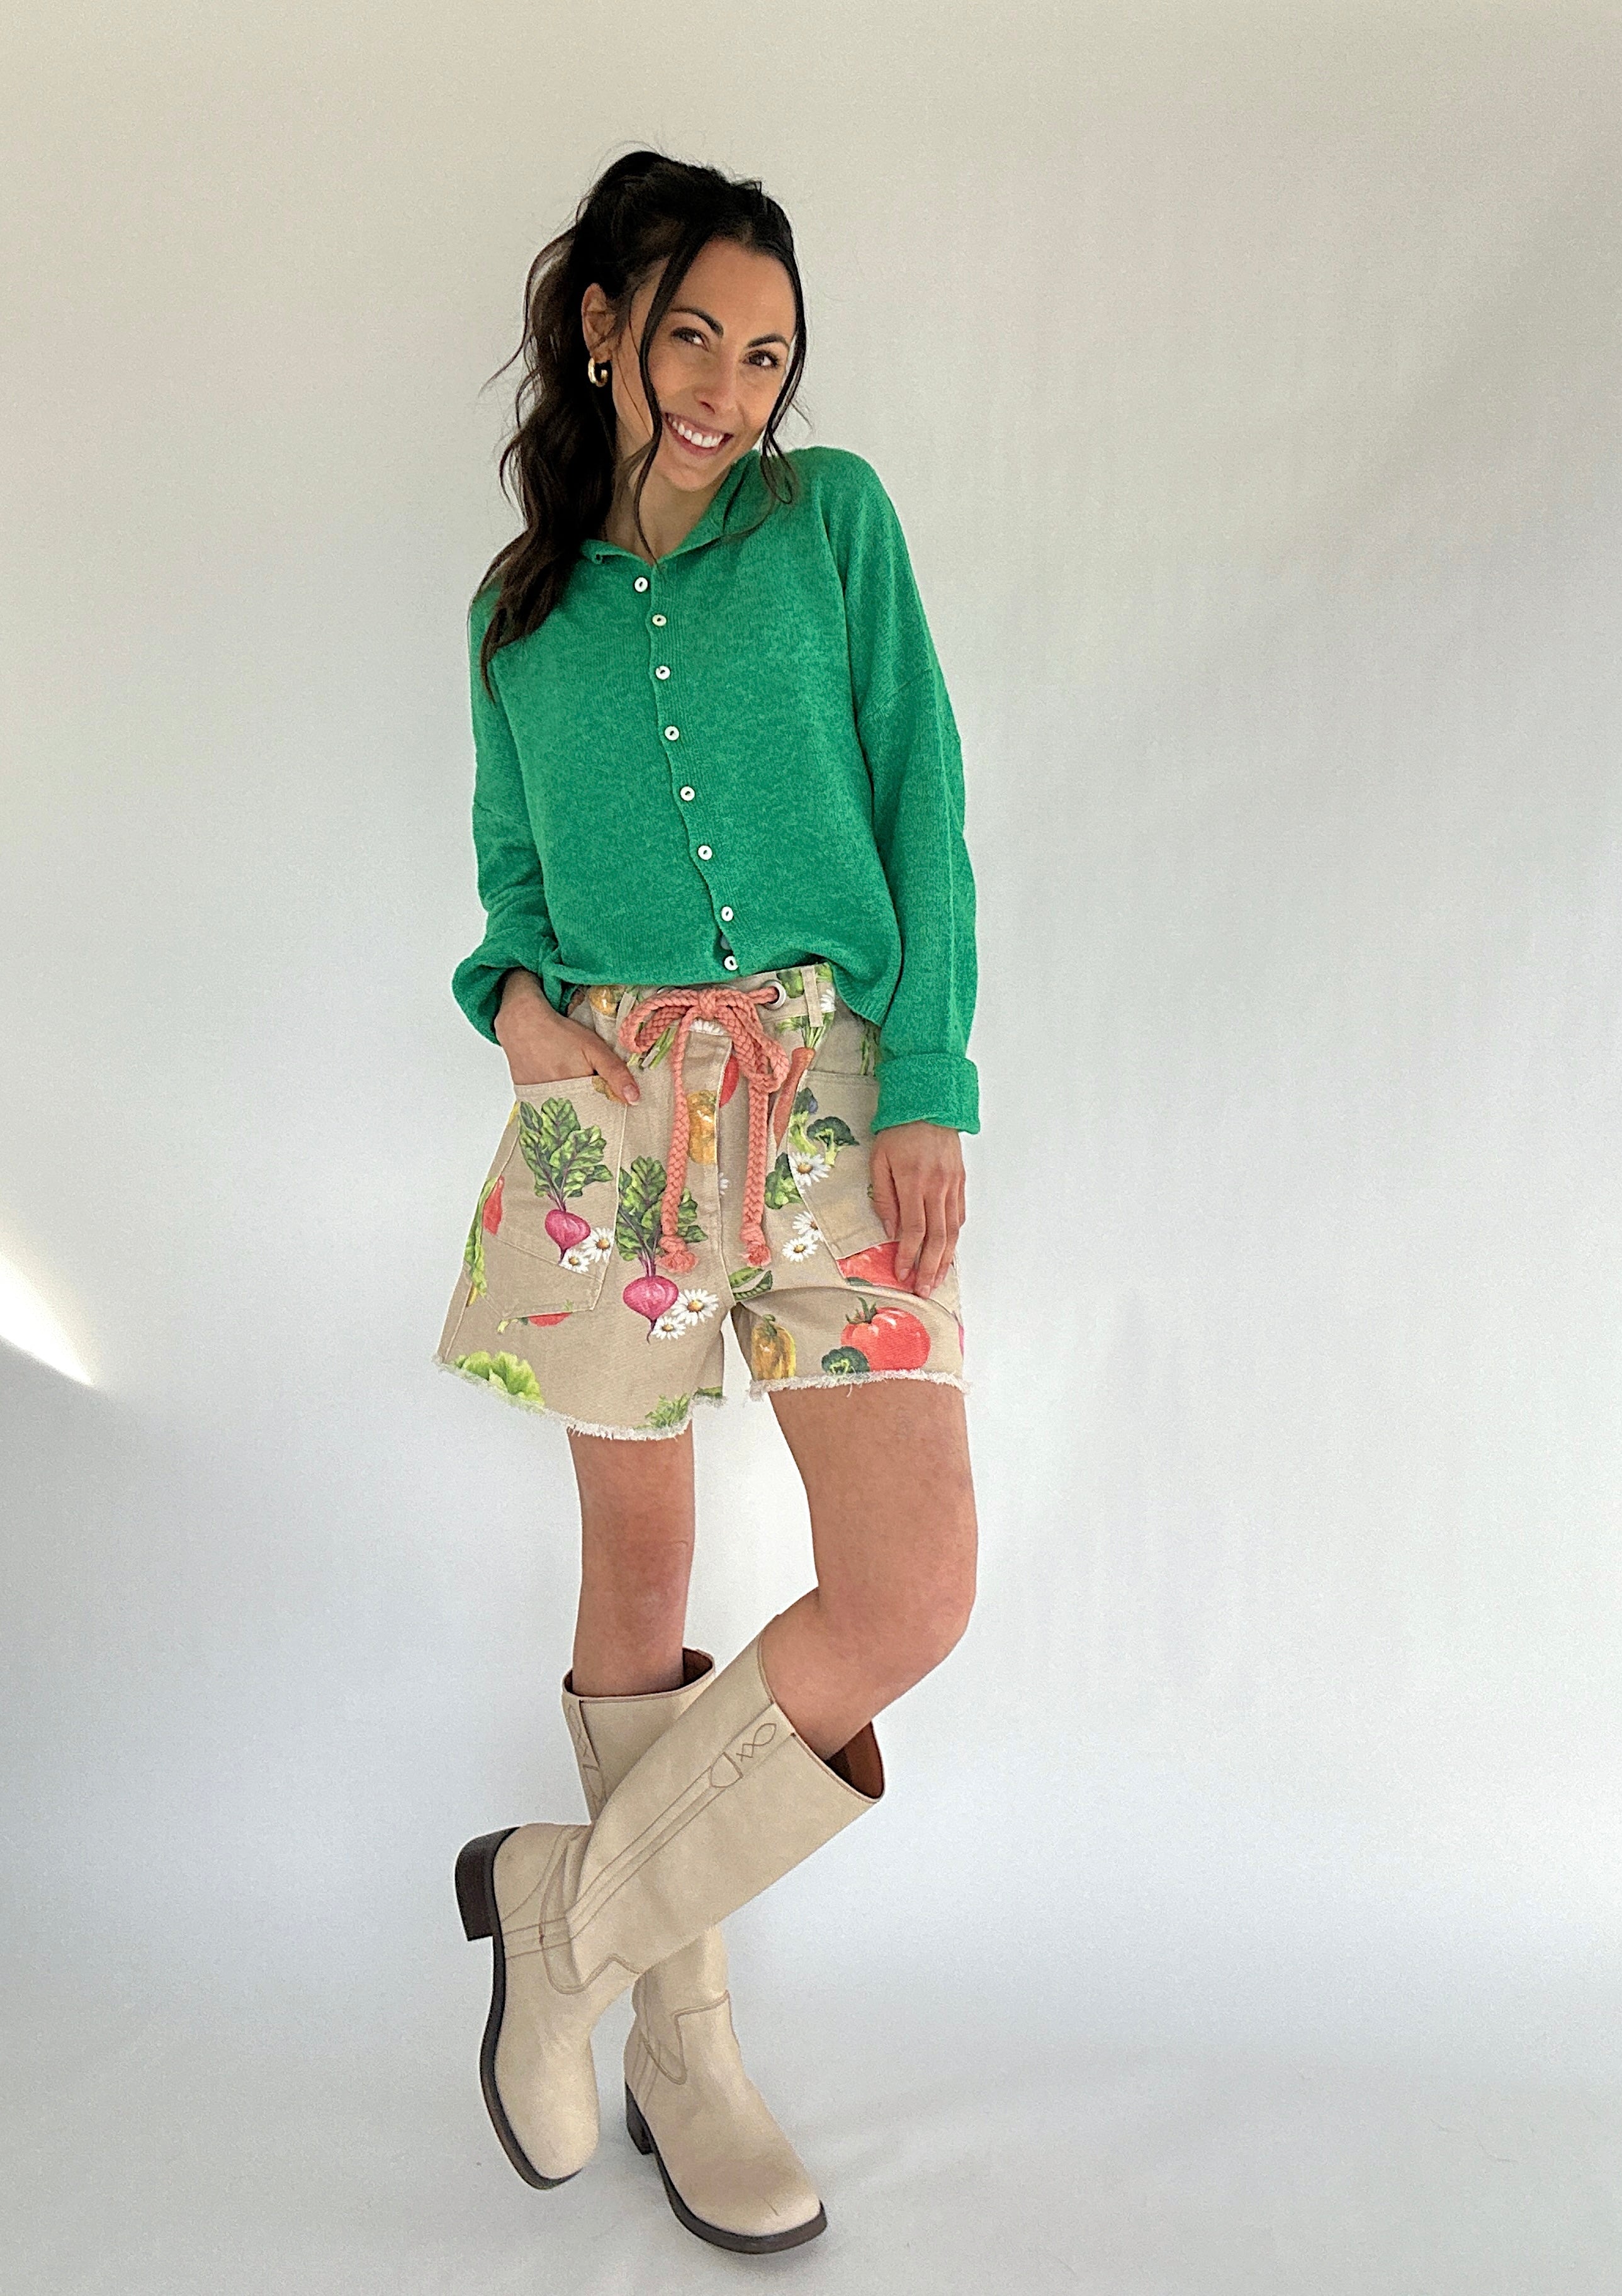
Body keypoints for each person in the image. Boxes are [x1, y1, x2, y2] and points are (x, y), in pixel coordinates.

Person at [432, 149, 981, 2256]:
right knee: (638, 1573)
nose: (729, 391)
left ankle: (559, 1923)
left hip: (832, 1087)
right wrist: (512, 1010)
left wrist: (926, 1085)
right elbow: (510, 887)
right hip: (608, 1111)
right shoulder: (518, 615)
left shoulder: (831, 524)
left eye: (766, 355)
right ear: (606, 329)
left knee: (908, 1590)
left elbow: (923, 794)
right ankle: (688, 2052)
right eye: (692, 339)